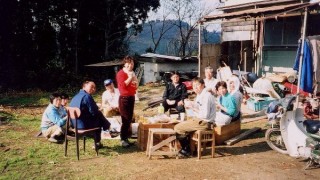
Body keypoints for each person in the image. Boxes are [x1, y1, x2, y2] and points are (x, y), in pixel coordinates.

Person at [174, 77, 216, 157]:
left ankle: (187, 150)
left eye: (198, 85)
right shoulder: (200, 95)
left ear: (203, 85)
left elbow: (205, 115)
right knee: (182, 123)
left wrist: (193, 108)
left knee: (178, 128)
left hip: (205, 122)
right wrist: (190, 104)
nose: (195, 87)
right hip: (200, 120)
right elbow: (197, 106)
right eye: (194, 86)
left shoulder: (206, 96)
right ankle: (190, 149)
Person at [69, 81, 112, 149]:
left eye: (94, 88)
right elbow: (94, 112)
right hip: (83, 126)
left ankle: (108, 128)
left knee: (98, 116)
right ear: (84, 87)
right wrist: (99, 109)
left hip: (75, 125)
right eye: (91, 87)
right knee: (98, 116)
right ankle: (99, 140)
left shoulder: (76, 96)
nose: (93, 89)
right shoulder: (87, 96)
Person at [116, 56, 137, 147]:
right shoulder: (121, 73)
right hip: (124, 98)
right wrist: (130, 77)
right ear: (124, 64)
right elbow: (122, 86)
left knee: (129, 119)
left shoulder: (132, 73)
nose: (130, 65)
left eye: (132, 63)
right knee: (125, 119)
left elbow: (135, 86)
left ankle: (126, 138)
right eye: (128, 63)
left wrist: (134, 79)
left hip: (131, 97)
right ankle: (122, 139)